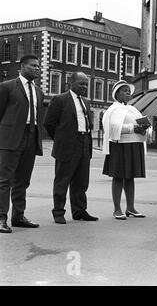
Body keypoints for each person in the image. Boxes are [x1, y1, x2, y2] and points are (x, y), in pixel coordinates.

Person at [44, 72, 98, 224]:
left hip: (84, 144)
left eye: (86, 84)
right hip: (67, 145)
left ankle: (79, 210)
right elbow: (49, 123)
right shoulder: (59, 99)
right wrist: (61, 139)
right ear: (71, 83)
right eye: (81, 83)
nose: (85, 87)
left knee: (81, 181)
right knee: (62, 180)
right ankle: (59, 212)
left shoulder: (86, 102)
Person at [0, 55, 44, 233]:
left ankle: (18, 216)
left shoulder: (39, 92)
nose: (37, 69)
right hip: (10, 138)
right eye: (33, 66)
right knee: (4, 180)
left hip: (31, 137)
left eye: (38, 66)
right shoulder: (7, 87)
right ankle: (1, 217)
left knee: (23, 181)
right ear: (23, 67)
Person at [102, 80, 151, 220]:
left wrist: (145, 129)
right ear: (116, 94)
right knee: (118, 177)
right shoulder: (112, 109)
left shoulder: (133, 109)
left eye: (129, 91)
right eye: (124, 91)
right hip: (119, 145)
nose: (128, 93)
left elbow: (142, 122)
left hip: (134, 144)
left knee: (130, 177)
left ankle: (130, 207)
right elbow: (111, 128)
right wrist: (132, 128)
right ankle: (117, 209)